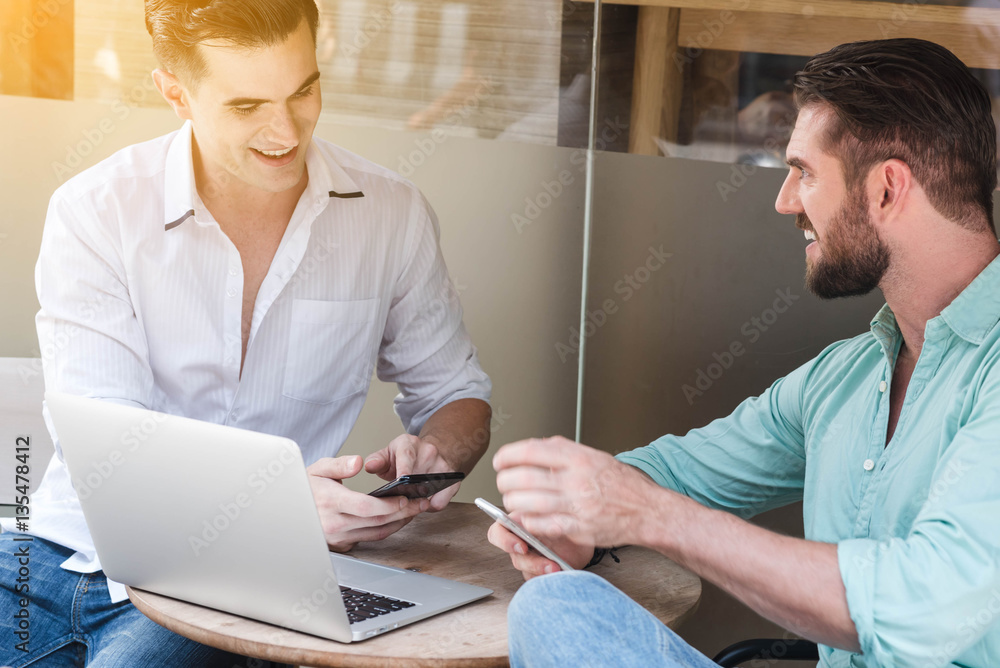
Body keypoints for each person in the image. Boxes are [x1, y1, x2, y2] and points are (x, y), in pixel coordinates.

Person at [0, 0, 492, 665]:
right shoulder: (98, 211)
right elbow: (108, 442)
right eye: (246, 107)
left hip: (235, 584)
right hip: (52, 553)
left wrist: (438, 455)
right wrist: (279, 505)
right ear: (175, 93)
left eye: (304, 90)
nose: (285, 130)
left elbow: (456, 394)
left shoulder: (391, 216)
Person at [487, 38, 1000, 668]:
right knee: (556, 609)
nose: (785, 200)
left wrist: (648, 515)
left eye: (804, 172)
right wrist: (576, 521)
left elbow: (929, 604)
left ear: (887, 189)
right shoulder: (845, 377)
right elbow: (676, 476)